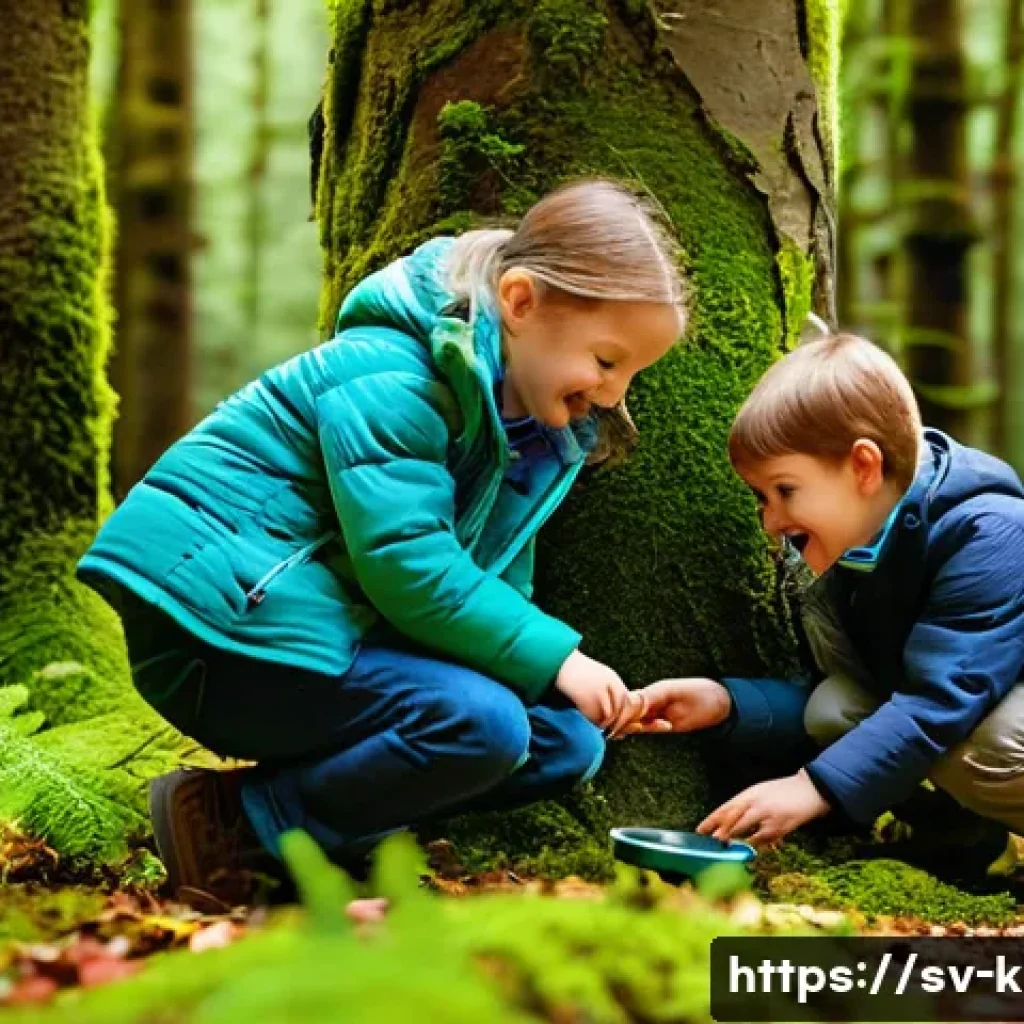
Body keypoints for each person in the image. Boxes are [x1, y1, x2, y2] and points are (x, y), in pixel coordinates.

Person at [78, 179, 687, 894]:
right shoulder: (389, 373)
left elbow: (495, 581)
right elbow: (409, 567)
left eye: (632, 375)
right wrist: (561, 659)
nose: (613, 395)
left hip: (321, 637)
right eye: (607, 361)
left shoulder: (530, 441)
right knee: (485, 725)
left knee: (563, 742)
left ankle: (310, 829)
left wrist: (543, 674)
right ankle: (234, 826)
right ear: (520, 303)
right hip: (223, 633)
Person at [628, 333, 1024, 850]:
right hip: (955, 711)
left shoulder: (990, 533)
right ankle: (957, 838)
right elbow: (871, 693)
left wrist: (814, 787)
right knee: (833, 707)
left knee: (987, 744)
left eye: (785, 491)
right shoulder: (858, 551)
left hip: (986, 720)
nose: (770, 522)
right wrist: (728, 704)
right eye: (761, 498)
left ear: (863, 466)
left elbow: (942, 700)